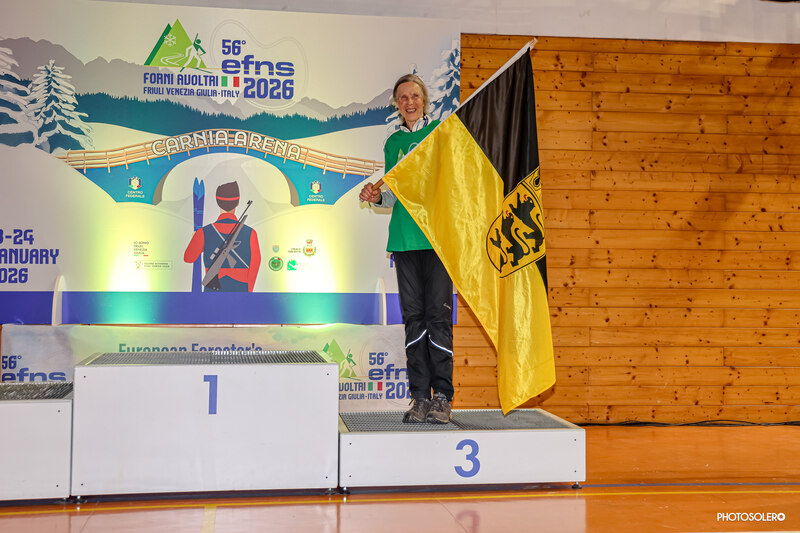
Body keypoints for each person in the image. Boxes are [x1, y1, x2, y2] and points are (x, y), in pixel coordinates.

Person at [359, 74, 454, 424]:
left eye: (414, 96)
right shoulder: (393, 143)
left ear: (424, 100)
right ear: (396, 104)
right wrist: (376, 196)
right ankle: (420, 397)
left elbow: (451, 185)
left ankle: (442, 396)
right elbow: (394, 194)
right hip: (403, 239)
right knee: (413, 319)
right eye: (403, 98)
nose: (409, 102)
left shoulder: (441, 135)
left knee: (438, 317)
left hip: (436, 239)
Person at [184, 181, 261, 292]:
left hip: (212, 291)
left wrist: (194, 238)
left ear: (217, 202)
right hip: (240, 291)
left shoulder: (203, 232)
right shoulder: (251, 233)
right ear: (238, 202)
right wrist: (248, 291)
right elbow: (255, 265)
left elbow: (188, 258)